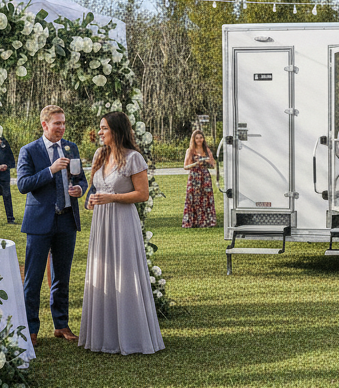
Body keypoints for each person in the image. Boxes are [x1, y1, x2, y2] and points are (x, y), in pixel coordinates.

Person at [79, 112, 165, 354]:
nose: (99, 132)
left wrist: (112, 198)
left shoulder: (134, 159)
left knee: (124, 273)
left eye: (104, 128)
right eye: (99, 128)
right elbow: (97, 187)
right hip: (101, 222)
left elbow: (142, 194)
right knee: (103, 271)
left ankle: (131, 336)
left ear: (116, 130)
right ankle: (104, 336)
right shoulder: (100, 154)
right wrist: (92, 201)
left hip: (123, 221)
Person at [18, 105, 88, 344]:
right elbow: (23, 184)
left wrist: (80, 189)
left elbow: (81, 178)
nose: (62, 127)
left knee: (62, 277)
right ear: (44, 125)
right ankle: (31, 328)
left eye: (63, 123)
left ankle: (61, 325)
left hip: (67, 219)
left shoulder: (71, 147)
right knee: (33, 278)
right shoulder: (28, 151)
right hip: (39, 222)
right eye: (57, 123)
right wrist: (50, 170)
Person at [182, 129, 218, 228]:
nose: (199, 140)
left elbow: (213, 164)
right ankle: (193, 221)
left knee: (206, 198)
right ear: (193, 139)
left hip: (205, 177)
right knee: (193, 198)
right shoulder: (190, 150)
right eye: (197, 138)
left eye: (201, 138)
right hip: (194, 176)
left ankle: (206, 221)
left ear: (203, 139)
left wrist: (208, 161)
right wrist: (196, 163)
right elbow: (185, 166)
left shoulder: (207, 150)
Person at [0, 136, 16, 224]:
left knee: (7, 195)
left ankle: (10, 218)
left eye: (0, 140)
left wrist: (6, 166)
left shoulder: (5, 145)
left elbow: (11, 160)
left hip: (4, 174)